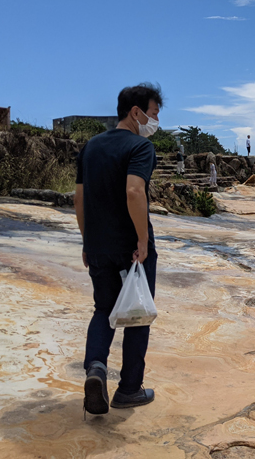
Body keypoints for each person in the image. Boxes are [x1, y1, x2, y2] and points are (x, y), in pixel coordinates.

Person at [75, 83, 163, 415]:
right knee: (137, 315)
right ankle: (128, 390)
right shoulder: (140, 147)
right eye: (154, 113)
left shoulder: (91, 147)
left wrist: (87, 241)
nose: (155, 121)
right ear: (136, 112)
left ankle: (96, 369)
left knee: (103, 310)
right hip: (130, 248)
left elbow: (79, 199)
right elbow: (134, 192)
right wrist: (142, 240)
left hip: (97, 245)